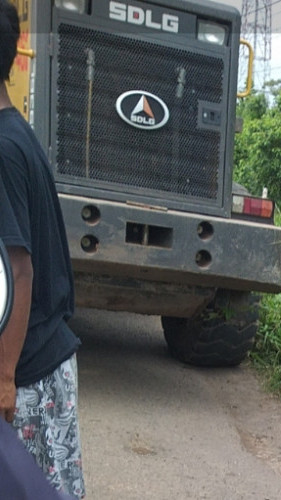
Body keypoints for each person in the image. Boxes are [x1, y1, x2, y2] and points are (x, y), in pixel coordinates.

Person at [0, 1, 86, 498]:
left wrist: (5, 376)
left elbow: (19, 268)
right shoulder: (18, 135)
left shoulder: (2, 149)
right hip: (43, 364)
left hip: (28, 376)